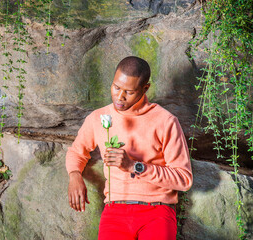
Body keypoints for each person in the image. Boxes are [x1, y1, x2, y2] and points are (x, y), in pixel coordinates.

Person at [66, 56, 193, 240]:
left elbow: (184, 179)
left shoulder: (166, 121)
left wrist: (134, 166)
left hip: (157, 211)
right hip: (114, 211)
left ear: (145, 88)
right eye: (116, 87)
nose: (119, 96)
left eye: (129, 92)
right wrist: (74, 175)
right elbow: (77, 151)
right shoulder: (98, 117)